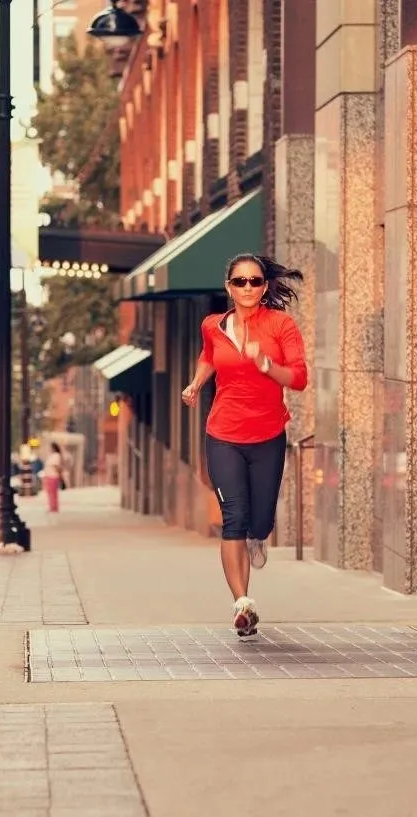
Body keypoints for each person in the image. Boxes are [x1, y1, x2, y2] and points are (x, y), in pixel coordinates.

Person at [182, 253, 307, 638]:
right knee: (233, 518)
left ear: (265, 286)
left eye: (255, 281)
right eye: (240, 282)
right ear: (229, 287)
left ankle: (259, 536)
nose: (248, 288)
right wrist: (197, 382)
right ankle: (242, 604)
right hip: (223, 434)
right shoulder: (213, 325)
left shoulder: (280, 325)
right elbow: (209, 355)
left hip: (268, 435)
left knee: (261, 519)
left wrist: (268, 366)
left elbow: (299, 378)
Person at [41, 442, 65, 513]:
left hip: (53, 476)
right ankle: (52, 507)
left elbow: (57, 466)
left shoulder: (56, 455)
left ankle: (54, 507)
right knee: (50, 493)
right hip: (49, 475)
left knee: (52, 493)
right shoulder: (52, 456)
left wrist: (61, 477)